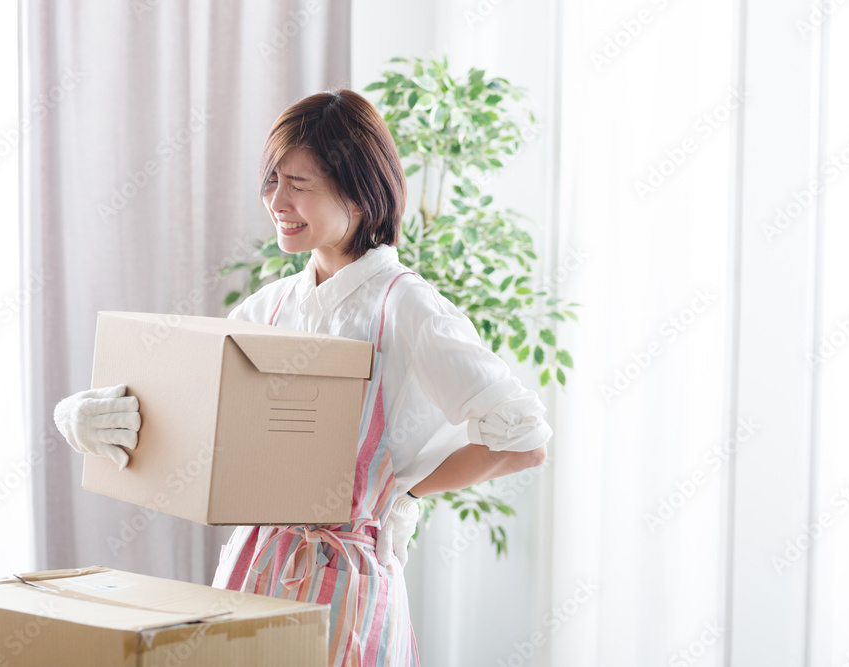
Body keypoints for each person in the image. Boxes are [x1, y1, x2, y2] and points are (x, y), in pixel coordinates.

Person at [53, 88, 552, 666]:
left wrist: (404, 494)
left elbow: (524, 440)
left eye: (298, 183)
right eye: (272, 179)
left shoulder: (406, 307)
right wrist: (80, 417)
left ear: (359, 191)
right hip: (254, 571)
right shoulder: (267, 308)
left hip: (346, 588)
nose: (276, 200)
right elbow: (189, 416)